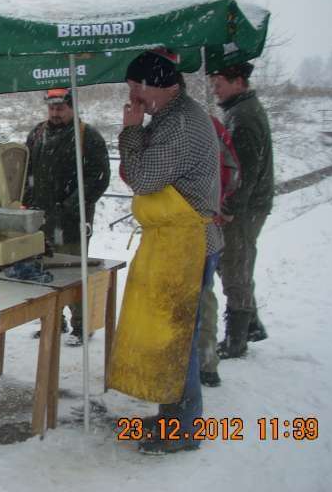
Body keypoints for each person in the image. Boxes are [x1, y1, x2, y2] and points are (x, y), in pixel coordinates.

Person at [111, 50, 221, 454]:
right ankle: (172, 415)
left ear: (159, 86)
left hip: (189, 245)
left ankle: (185, 429)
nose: (134, 99)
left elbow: (143, 178)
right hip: (177, 241)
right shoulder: (174, 116)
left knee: (181, 339)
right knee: (172, 335)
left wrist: (131, 131)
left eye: (136, 90)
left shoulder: (180, 125)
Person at [23, 87, 110, 346]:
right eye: (51, 107)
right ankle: (51, 320)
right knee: (42, 272)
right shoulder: (37, 133)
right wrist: (25, 202)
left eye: (60, 108)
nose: (55, 112)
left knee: (72, 274)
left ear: (72, 108)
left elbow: (100, 177)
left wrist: (71, 205)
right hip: (39, 218)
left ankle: (81, 326)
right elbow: (26, 171)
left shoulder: (87, 136)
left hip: (72, 220)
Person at [210, 62, 274, 359]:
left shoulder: (243, 117)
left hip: (244, 208)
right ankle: (251, 325)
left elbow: (244, 171)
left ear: (238, 82)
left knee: (235, 265)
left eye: (219, 82)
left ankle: (236, 340)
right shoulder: (242, 110)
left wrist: (229, 208)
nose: (215, 88)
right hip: (250, 204)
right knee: (236, 262)